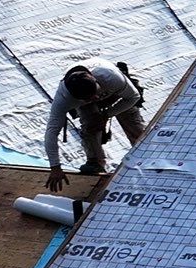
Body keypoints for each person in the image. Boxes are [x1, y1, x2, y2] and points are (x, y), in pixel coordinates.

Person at [45, 60, 146, 190]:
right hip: (86, 104)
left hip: (116, 94)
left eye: (96, 94)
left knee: (134, 125)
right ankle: (95, 162)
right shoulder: (64, 99)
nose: (96, 98)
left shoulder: (111, 77)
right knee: (90, 126)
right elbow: (51, 133)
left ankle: (147, 154)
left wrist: (106, 115)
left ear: (96, 81)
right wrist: (55, 167)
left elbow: (133, 97)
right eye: (89, 98)